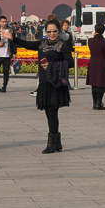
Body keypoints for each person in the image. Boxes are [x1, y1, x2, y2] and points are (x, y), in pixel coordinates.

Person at [12, 19, 74, 153]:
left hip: (55, 84)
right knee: (49, 113)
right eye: (49, 31)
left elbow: (70, 63)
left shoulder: (62, 45)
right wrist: (13, 38)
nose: (52, 34)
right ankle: (57, 142)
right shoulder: (42, 43)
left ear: (59, 31)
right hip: (44, 82)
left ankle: (52, 143)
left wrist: (52, 65)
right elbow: (26, 44)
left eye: (54, 31)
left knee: (52, 113)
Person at [87, 20, 105, 110]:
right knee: (101, 83)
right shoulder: (104, 42)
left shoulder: (90, 41)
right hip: (102, 64)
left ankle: (94, 103)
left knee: (94, 84)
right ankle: (98, 103)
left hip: (93, 63)